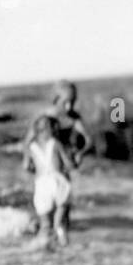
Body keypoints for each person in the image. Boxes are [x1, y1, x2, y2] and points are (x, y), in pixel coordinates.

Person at [22, 80, 93, 236]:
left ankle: (62, 252)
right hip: (45, 173)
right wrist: (29, 163)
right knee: (47, 213)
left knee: (63, 215)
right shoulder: (43, 120)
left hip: (63, 173)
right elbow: (28, 144)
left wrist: (81, 153)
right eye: (65, 102)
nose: (69, 107)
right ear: (55, 99)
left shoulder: (74, 118)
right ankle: (47, 241)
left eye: (73, 102)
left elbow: (89, 141)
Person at [23, 115, 76, 249]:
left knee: (45, 224)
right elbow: (68, 164)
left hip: (41, 184)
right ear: (50, 129)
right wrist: (74, 160)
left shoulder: (31, 146)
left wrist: (35, 170)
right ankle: (65, 247)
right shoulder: (54, 143)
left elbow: (26, 167)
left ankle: (42, 248)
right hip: (57, 181)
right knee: (59, 222)